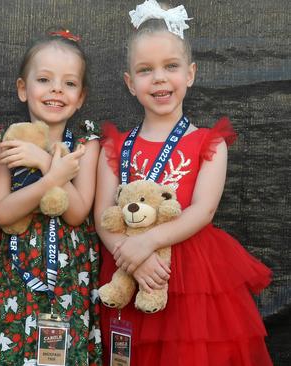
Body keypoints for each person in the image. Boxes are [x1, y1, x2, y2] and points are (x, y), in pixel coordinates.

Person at [95, 1, 273, 365]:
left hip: (191, 280)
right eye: (145, 70)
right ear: (130, 83)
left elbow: (203, 210)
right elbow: (103, 215)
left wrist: (146, 243)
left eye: (171, 66)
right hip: (129, 272)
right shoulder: (114, 146)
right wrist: (131, 259)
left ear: (190, 73)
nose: (159, 78)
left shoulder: (210, 142)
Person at [0, 29, 102, 365]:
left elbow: (78, 211)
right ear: (23, 89)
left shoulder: (87, 147)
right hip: (18, 277)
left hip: (71, 279)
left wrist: (43, 161)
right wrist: (51, 179)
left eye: (69, 83)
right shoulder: (5, 145)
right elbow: (2, 213)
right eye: (44, 79)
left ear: (80, 97)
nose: (56, 90)